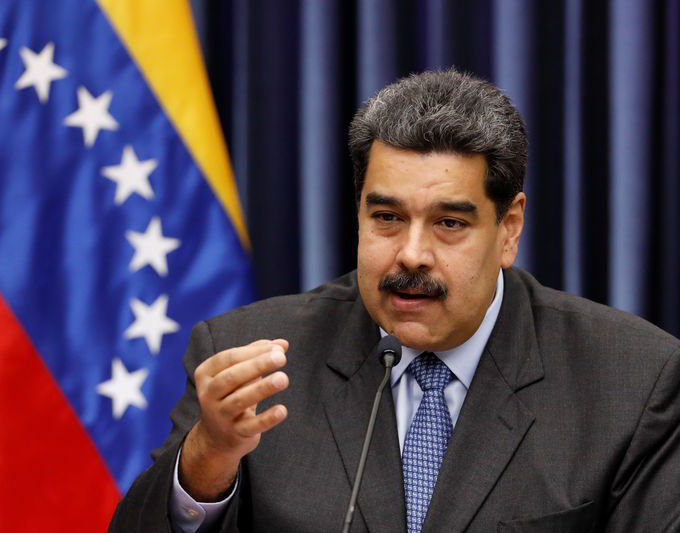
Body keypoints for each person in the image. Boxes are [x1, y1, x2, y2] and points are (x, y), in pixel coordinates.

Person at [107, 70, 680, 532]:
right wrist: (207, 458)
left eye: (449, 223)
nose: (411, 255)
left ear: (508, 229)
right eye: (387, 218)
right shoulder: (252, 356)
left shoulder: (632, 380)